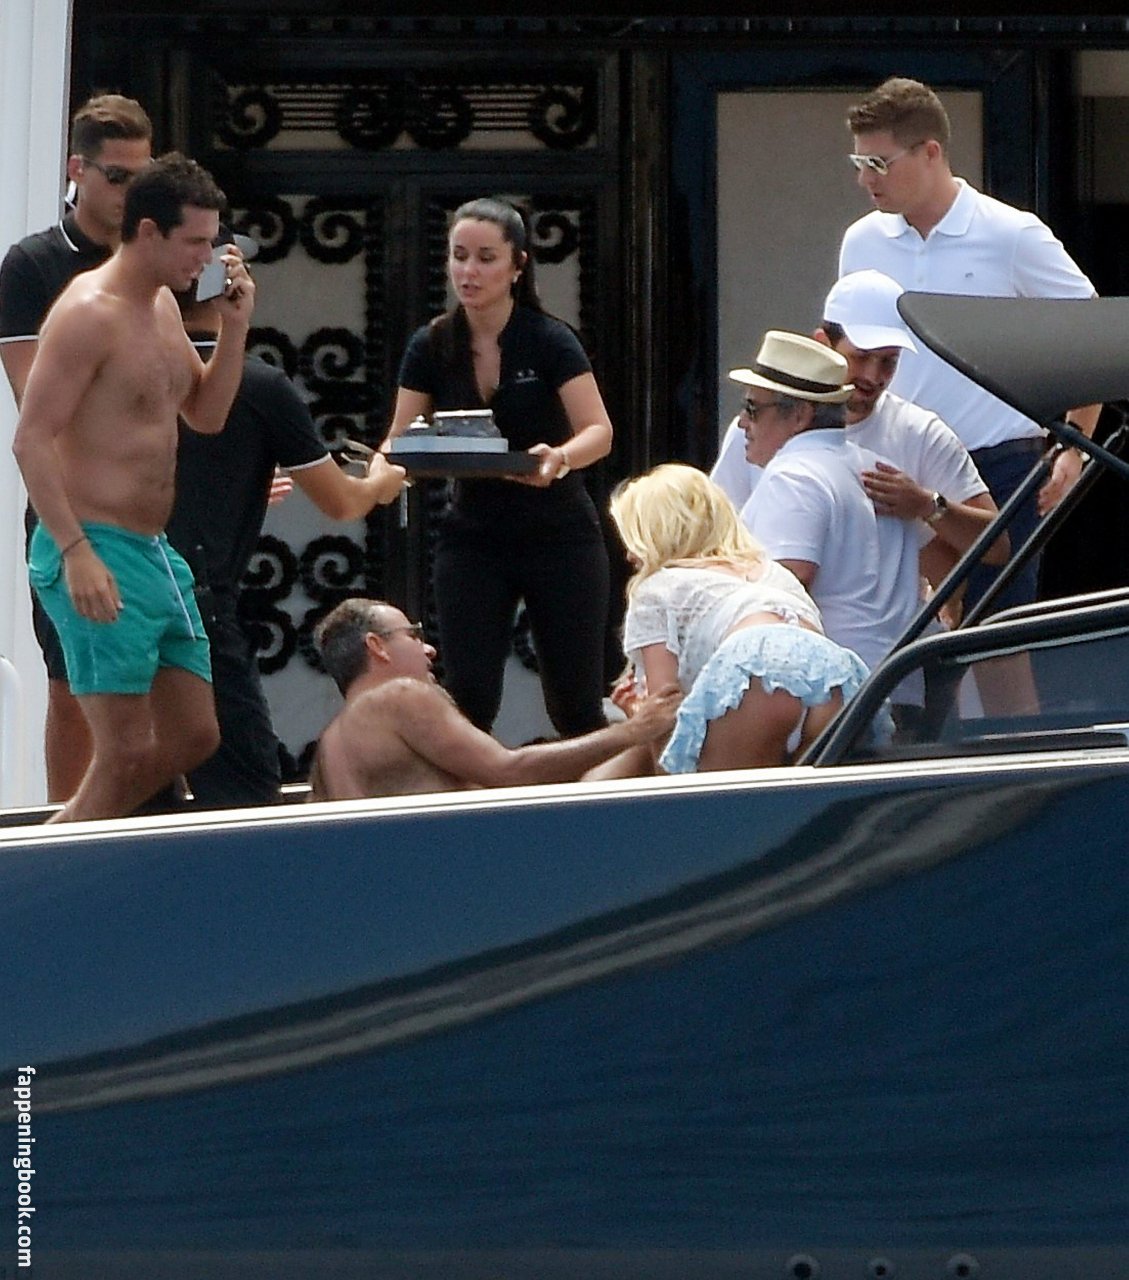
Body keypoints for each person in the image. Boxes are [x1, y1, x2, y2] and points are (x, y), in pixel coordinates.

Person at [11, 153, 255, 823]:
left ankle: (67, 838)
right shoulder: (88, 313)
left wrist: (234, 328)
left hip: (154, 551)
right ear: (149, 231)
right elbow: (31, 439)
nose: (209, 257)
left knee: (196, 735)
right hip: (95, 543)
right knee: (122, 752)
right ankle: (55, 864)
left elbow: (206, 414)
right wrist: (74, 551)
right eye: (196, 242)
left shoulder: (164, 308)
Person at [838, 75, 1099, 616]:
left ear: (930, 153)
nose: (865, 179)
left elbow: (1090, 332)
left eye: (879, 163)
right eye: (859, 163)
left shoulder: (1011, 234)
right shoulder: (862, 240)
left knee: (997, 637)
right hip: (896, 462)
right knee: (892, 624)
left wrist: (1075, 446)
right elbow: (846, 349)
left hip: (997, 463)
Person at [161, 282, 407, 809]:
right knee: (244, 792)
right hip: (199, 604)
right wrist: (383, 480)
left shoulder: (131, 373)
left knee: (140, 782)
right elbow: (341, 502)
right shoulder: (259, 386)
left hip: (128, 591)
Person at [383, 196, 614, 737]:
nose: (469, 271)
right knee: (468, 699)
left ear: (517, 266)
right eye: (459, 256)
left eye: (486, 258)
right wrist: (382, 475)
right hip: (474, 534)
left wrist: (559, 457)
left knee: (576, 704)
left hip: (560, 532)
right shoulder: (431, 344)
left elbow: (598, 432)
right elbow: (397, 439)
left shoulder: (550, 339)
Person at [0, 93, 153, 801]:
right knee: (72, 684)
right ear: (77, 171)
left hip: (151, 504)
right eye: (117, 177)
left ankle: (144, 825)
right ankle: (71, 829)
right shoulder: (34, 264)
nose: (129, 193)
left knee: (165, 680)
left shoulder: (154, 258)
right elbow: (38, 409)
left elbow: (182, 394)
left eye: (142, 178)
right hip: (72, 503)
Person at [610, 464, 870, 774]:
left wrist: (641, 722)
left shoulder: (658, 587)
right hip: (831, 671)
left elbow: (664, 712)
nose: (630, 556)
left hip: (753, 670)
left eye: (635, 540)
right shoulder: (774, 572)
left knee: (718, 802)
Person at [308, 598, 682, 800]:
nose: (429, 649)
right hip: (467, 869)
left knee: (637, 747)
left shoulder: (328, 747)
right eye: (413, 635)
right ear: (377, 646)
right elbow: (509, 772)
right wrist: (633, 731)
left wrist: (634, 733)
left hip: (397, 882)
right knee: (647, 744)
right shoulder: (397, 696)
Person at [734, 330, 923, 686]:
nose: (743, 422)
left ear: (800, 415)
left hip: (831, 693)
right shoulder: (872, 466)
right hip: (896, 683)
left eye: (753, 409)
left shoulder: (795, 475)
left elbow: (784, 589)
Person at [815, 268, 1008, 597]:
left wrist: (926, 505)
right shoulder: (767, 422)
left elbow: (997, 547)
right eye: (860, 357)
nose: (872, 376)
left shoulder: (922, 433)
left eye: (889, 361)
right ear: (822, 344)